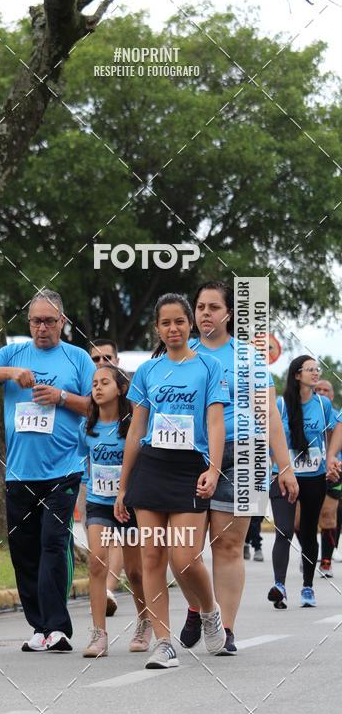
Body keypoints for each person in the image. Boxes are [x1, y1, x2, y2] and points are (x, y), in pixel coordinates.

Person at [0, 289, 95, 653]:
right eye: (36, 321)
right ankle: (39, 626)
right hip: (20, 473)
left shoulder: (78, 359)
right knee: (23, 550)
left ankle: (58, 627)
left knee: (53, 543)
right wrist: (9, 372)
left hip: (64, 470)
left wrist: (62, 398)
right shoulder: (15, 354)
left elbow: (97, 407)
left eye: (50, 321)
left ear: (63, 323)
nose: (42, 328)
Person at [178, 282, 298, 654]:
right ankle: (200, 608)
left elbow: (270, 417)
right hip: (191, 454)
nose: (206, 314)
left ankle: (226, 630)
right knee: (185, 548)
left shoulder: (248, 357)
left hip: (244, 453)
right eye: (200, 307)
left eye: (214, 307)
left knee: (229, 546)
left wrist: (285, 467)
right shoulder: (182, 354)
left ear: (228, 313)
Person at [115, 292, 229, 670]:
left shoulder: (210, 367)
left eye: (179, 321)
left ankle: (210, 611)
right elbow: (136, 432)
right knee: (152, 555)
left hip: (190, 468)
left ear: (189, 324)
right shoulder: (148, 372)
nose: (173, 328)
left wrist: (213, 469)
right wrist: (123, 484)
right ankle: (163, 642)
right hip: (152, 466)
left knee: (185, 558)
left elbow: (214, 421)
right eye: (166, 323)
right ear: (158, 329)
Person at [78, 364, 152, 657]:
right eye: (94, 383)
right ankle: (99, 634)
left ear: (121, 388)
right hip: (98, 503)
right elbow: (82, 461)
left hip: (130, 505)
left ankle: (145, 621)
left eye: (104, 382)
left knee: (135, 571)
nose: (97, 387)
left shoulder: (134, 425)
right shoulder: (87, 427)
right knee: (97, 562)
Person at [268, 356, 336, 609]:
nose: (315, 373)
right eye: (310, 370)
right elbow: (271, 438)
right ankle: (280, 586)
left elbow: (330, 435)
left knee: (308, 532)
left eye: (317, 369)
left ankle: (307, 587)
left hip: (314, 479)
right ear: (297, 375)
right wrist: (278, 466)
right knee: (284, 530)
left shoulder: (323, 404)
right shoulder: (281, 404)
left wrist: (331, 461)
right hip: (283, 476)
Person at [78, 338, 125, 618]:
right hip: (94, 490)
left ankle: (111, 589)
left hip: (127, 497)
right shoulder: (88, 419)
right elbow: (82, 452)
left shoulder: (131, 417)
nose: (100, 364)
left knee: (129, 558)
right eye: (95, 359)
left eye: (106, 358)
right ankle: (98, 629)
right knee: (98, 550)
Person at [315, 380, 341, 576]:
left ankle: (326, 561)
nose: (322, 392)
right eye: (318, 389)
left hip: (334, 472)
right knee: (299, 521)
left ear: (332, 395)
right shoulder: (304, 413)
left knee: (329, 515)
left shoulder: (337, 417)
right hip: (308, 472)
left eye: (326, 390)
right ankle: (310, 551)